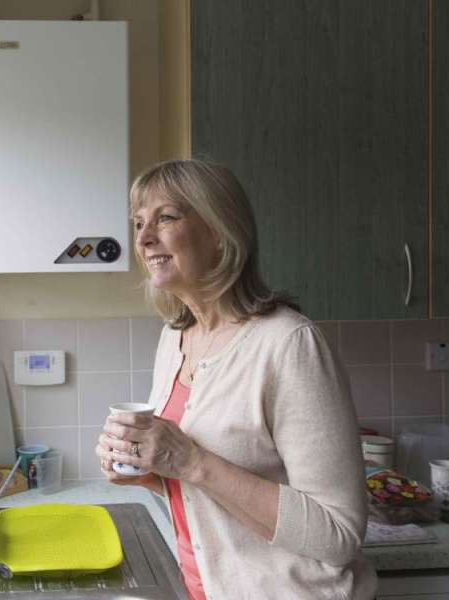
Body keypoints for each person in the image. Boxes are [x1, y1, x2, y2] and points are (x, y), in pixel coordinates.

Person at [96, 159, 376, 599]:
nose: (144, 238)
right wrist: (150, 470)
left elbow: (338, 534)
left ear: (220, 231)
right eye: (138, 223)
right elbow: (206, 495)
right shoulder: (175, 338)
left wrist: (189, 461)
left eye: (165, 217)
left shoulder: (288, 344)